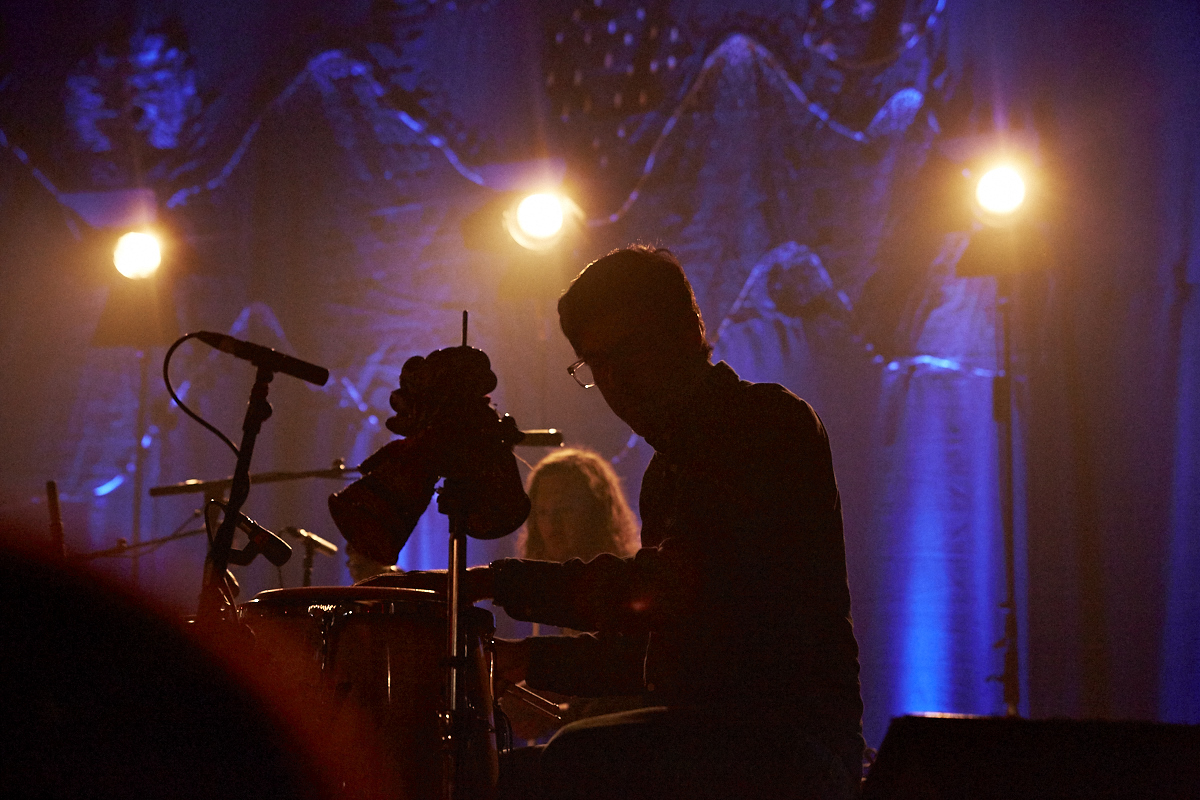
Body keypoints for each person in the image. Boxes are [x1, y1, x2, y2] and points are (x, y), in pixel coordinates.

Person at [420, 245, 863, 799]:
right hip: (722, 740)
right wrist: (522, 659)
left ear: (688, 330)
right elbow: (661, 651)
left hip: (791, 745)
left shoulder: (764, 424)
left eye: (629, 352)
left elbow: (665, 594)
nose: (614, 380)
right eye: (596, 363)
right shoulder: (666, 471)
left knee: (566, 760)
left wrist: (495, 583)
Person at [500, 448, 644, 741]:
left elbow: (627, 689)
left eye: (564, 510)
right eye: (543, 513)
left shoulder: (628, 591)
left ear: (597, 512)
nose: (551, 527)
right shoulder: (556, 597)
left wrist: (560, 714)